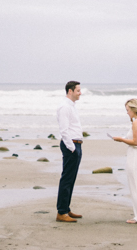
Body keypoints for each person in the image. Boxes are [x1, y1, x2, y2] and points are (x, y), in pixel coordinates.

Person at [56, 80, 84, 222]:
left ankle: (66, 209)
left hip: (76, 144)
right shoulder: (64, 107)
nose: (80, 93)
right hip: (71, 145)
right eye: (78, 90)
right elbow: (64, 130)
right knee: (67, 179)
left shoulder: (72, 106)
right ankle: (61, 212)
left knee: (71, 179)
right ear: (70, 91)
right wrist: (72, 148)